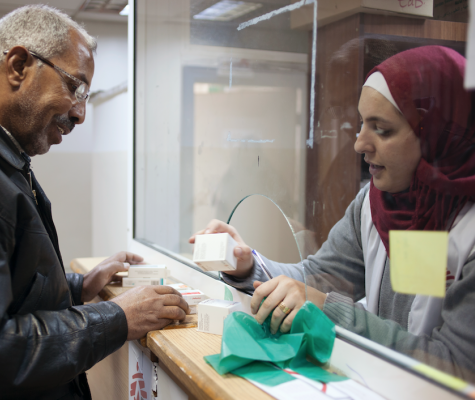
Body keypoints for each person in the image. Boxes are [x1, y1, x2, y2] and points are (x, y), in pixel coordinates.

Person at [0, 5, 188, 399]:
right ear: (19, 65)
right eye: (75, 87)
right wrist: (117, 317)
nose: (80, 114)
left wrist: (79, 287)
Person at [191, 46, 475, 381]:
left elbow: (457, 366)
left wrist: (329, 308)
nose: (359, 144)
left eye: (381, 129)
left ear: (438, 134)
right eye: (360, 124)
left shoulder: (467, 230)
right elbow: (316, 277)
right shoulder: (376, 203)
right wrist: (248, 265)